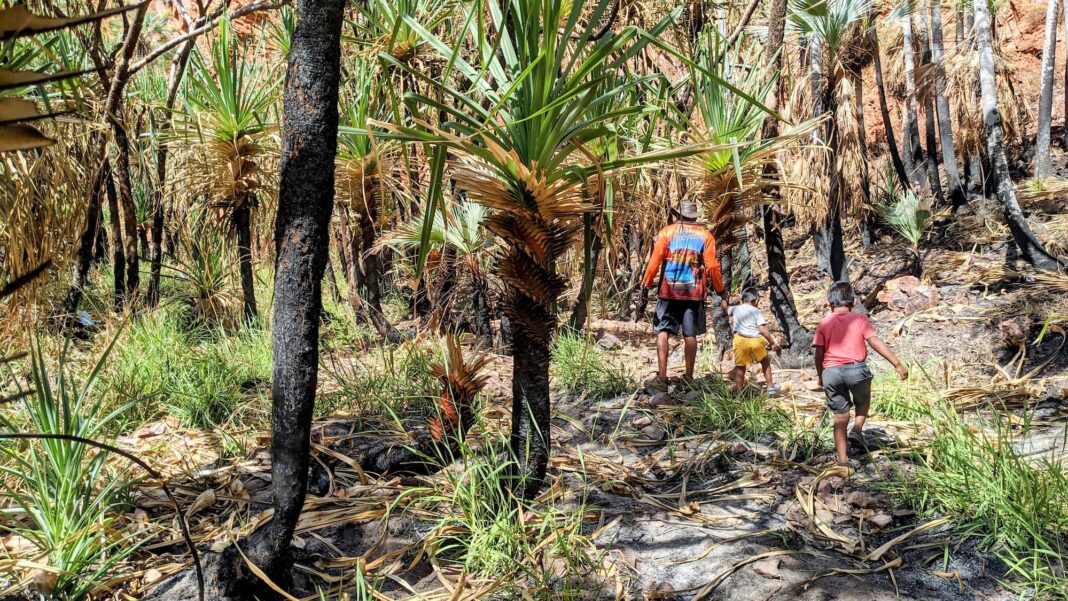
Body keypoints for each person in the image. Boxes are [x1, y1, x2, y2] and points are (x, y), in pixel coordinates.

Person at [813, 282, 909, 467]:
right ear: (854, 301)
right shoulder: (859, 319)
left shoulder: (824, 323)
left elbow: (819, 353)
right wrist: (897, 364)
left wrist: (820, 375)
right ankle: (857, 429)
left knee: (840, 417)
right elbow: (874, 341)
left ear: (829, 303)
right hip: (857, 370)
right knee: (862, 400)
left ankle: (842, 460)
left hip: (831, 373)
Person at [642, 200, 726, 385]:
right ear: (694, 216)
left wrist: (646, 284)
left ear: (679, 215)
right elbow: (712, 266)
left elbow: (655, 261)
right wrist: (720, 290)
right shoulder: (706, 235)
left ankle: (662, 377)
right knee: (690, 334)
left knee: (663, 331)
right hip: (693, 293)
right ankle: (688, 377)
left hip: (668, 291)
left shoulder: (667, 232)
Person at [727, 287, 780, 394]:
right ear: (755, 301)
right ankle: (770, 387)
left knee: (740, 367)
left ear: (742, 300)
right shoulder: (756, 311)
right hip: (755, 340)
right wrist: (772, 343)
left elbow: (725, 309)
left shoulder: (736, 308)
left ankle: (739, 392)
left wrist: (724, 298)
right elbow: (762, 329)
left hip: (740, 340)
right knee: (765, 362)